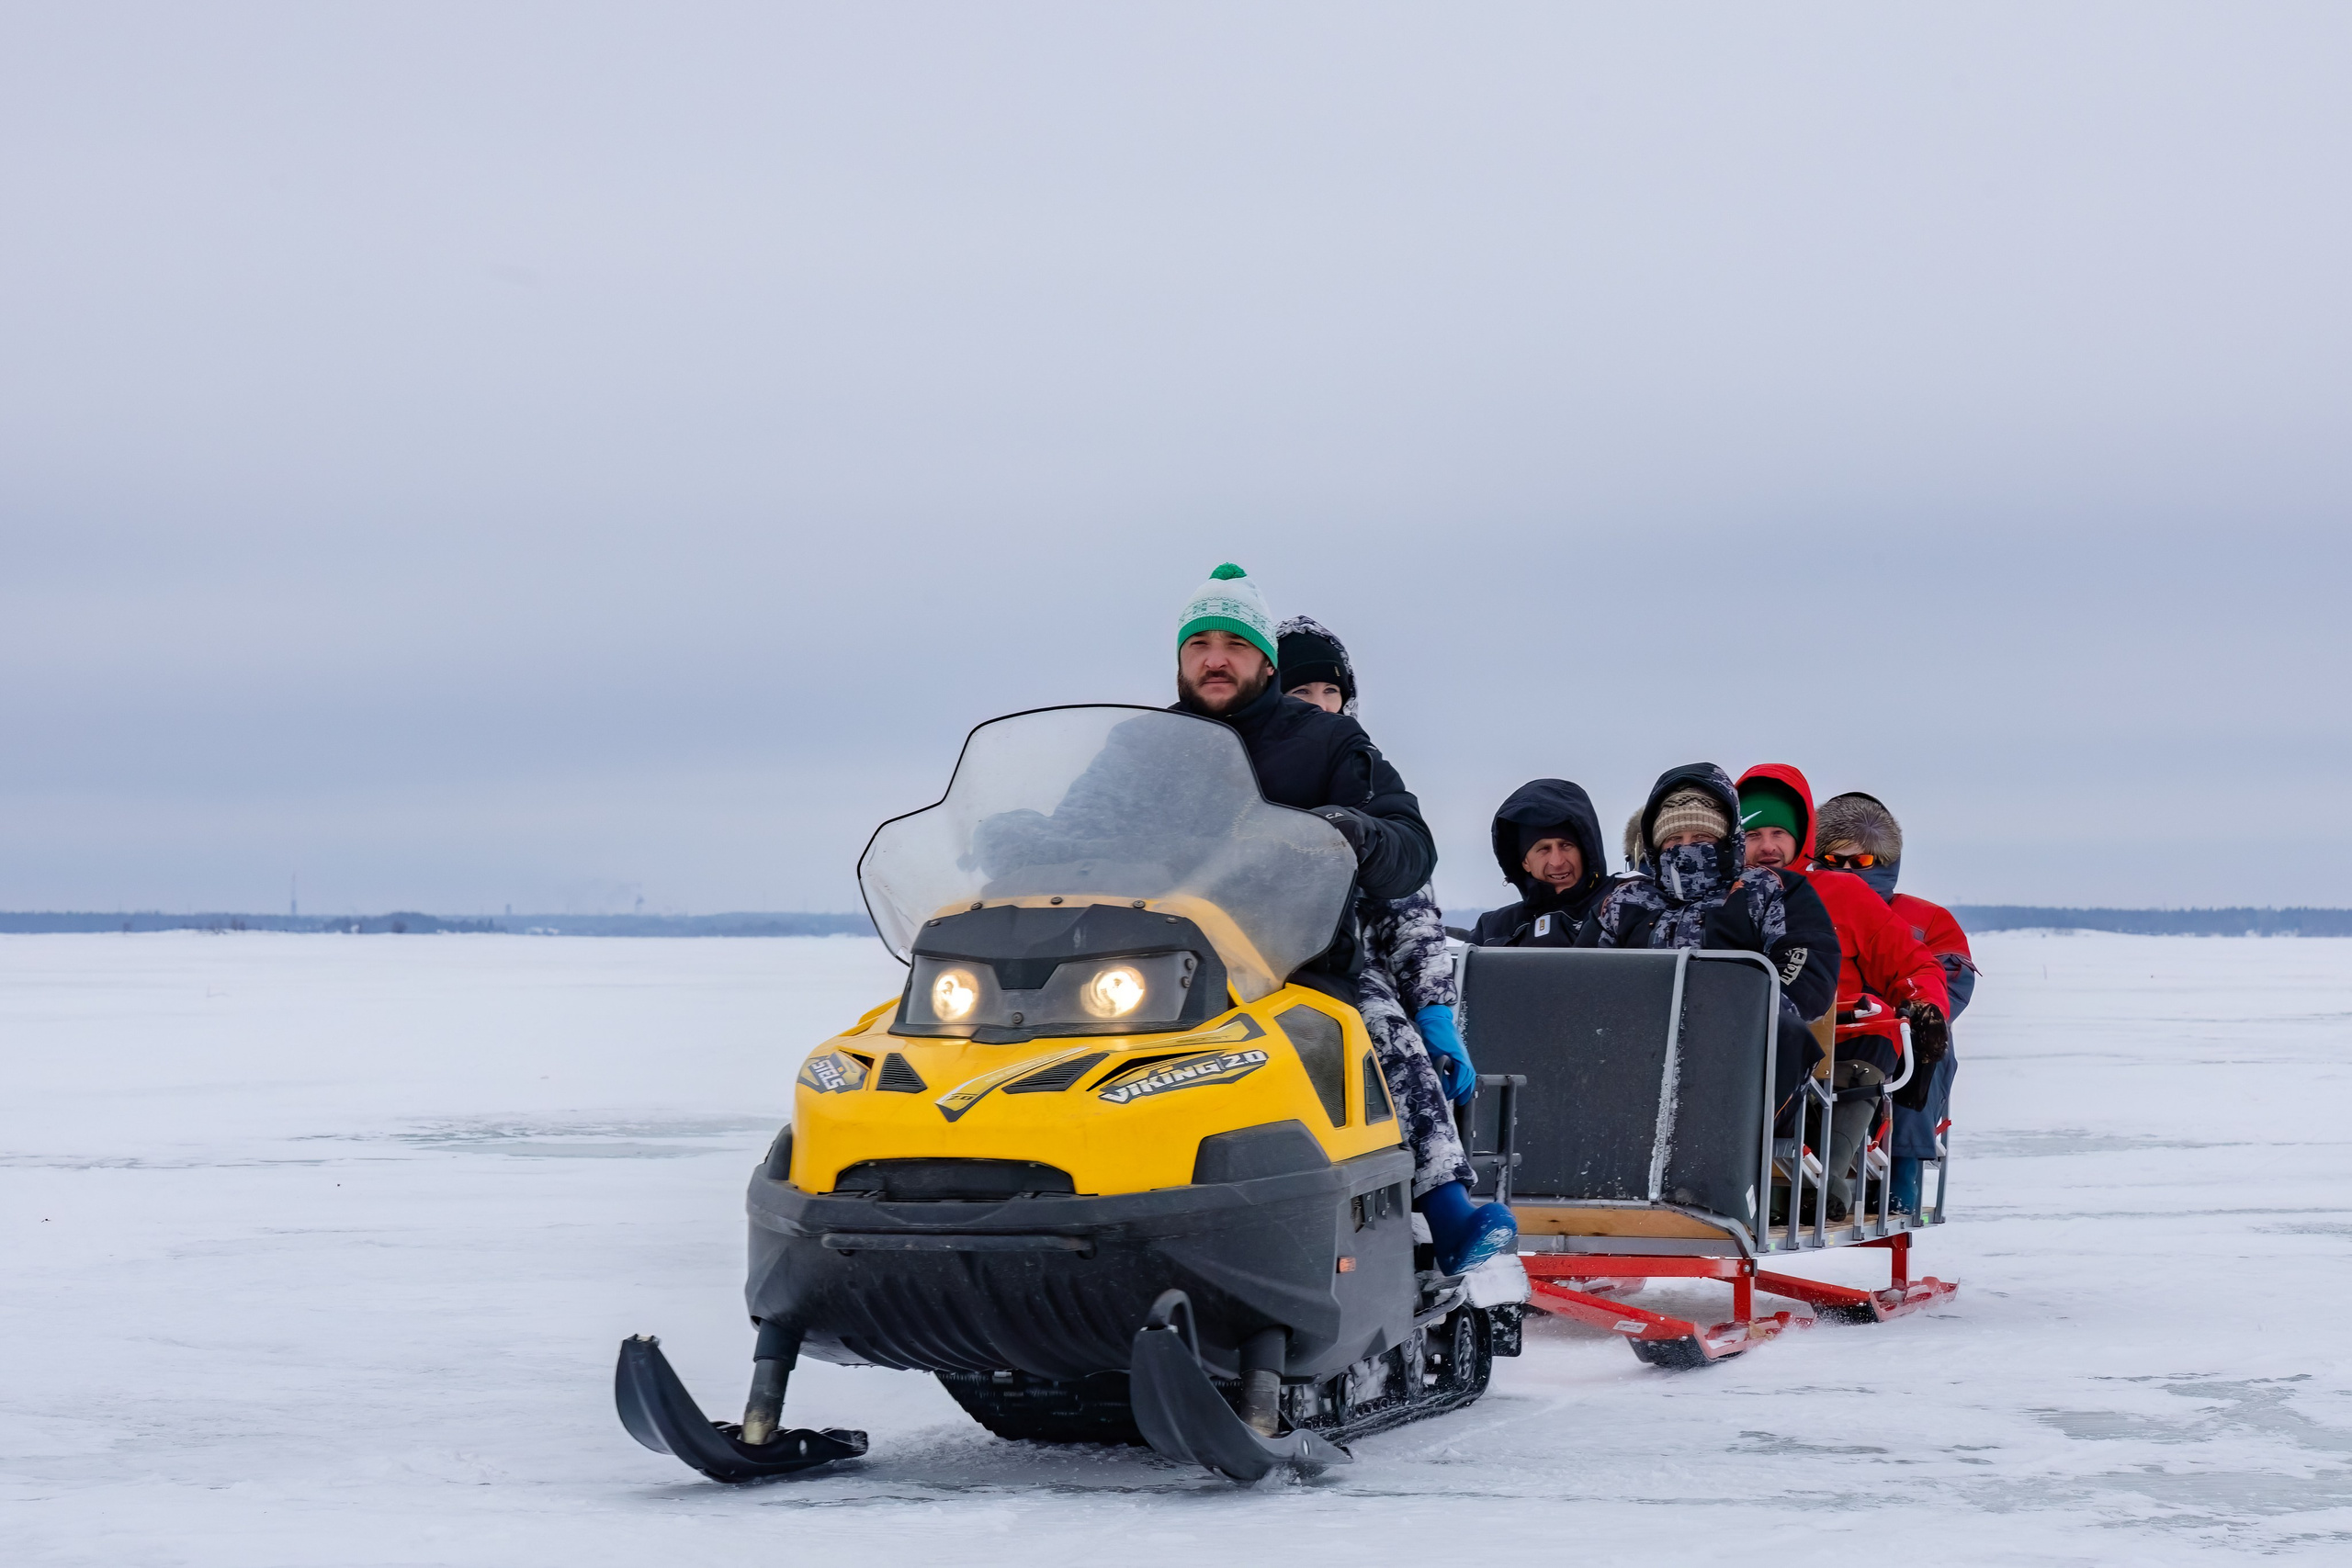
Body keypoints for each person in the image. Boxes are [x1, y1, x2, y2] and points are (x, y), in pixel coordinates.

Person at [1172, 567, 1515, 1274]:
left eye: (1232, 643)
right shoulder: (1145, 747)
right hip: (1165, 959)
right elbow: (1085, 827)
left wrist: (1361, 832)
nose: (1214, 657)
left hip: (1301, 958)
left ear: (1263, 660)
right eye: (1198, 643)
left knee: (1372, 1030)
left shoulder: (1327, 742)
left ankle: (1446, 1207)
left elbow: (1409, 851)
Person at [1735, 765, 1951, 1217]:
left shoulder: (1844, 896)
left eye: (1779, 832)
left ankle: (1823, 1179)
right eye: (1754, 834)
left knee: (1877, 1032)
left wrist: (1924, 1004)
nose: (1768, 846)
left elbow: (1913, 963)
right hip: (1740, 1050)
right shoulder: (1718, 898)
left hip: (1836, 1055)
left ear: (1802, 839)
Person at [1575, 767, 1840, 1042]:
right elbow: (1579, 982)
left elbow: (1807, 974)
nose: (1686, 848)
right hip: (1634, 1049)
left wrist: (1732, 1018)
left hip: (1741, 1052)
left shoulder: (1769, 890)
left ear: (1726, 839)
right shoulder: (1623, 903)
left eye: (1701, 838)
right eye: (1674, 839)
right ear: (1656, 845)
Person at [1815, 791, 1974, 1213]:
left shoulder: (1925, 918)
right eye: (1835, 859)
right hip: (1828, 1028)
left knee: (1926, 1048)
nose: (1848, 871)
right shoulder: (1801, 905)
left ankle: (1902, 1175)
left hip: (1889, 1034)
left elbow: (1951, 982)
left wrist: (1913, 1013)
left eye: (1862, 861)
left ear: (1886, 862)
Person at [1467, 779, 1612, 946]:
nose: (1557, 862)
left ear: (1586, 852)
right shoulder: (1492, 928)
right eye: (1544, 849)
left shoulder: (1624, 905)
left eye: (1566, 845)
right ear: (1525, 862)